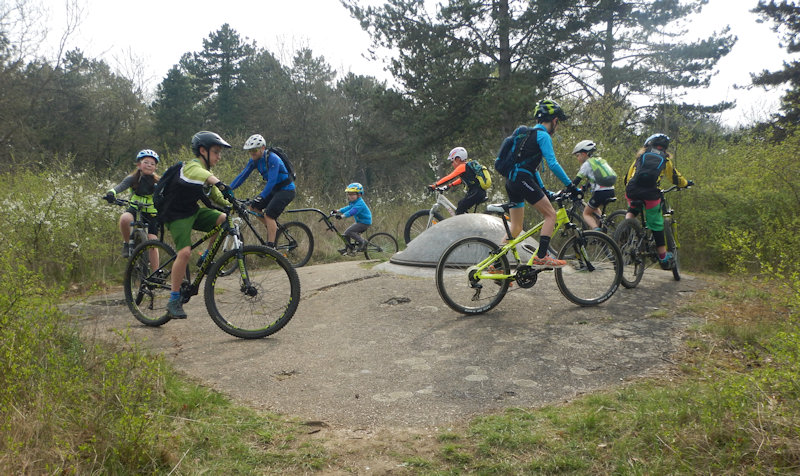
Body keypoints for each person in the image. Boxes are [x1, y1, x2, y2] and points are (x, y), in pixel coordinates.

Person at [161, 131, 233, 319]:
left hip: (192, 212)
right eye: (216, 152)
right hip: (176, 215)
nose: (219, 156)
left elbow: (214, 194)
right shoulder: (191, 167)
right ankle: (173, 300)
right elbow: (204, 176)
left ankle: (206, 258)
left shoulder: (206, 173)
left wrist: (232, 203)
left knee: (222, 219)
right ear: (203, 151)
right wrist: (220, 183)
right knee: (184, 253)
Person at [500, 99, 576, 268]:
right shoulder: (543, 136)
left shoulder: (526, 135)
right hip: (522, 180)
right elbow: (553, 164)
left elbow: (531, 168)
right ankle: (542, 256)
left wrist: (543, 190)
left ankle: (496, 263)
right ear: (555, 120)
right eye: (558, 123)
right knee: (551, 215)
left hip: (512, 181)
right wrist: (571, 186)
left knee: (516, 227)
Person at [623, 133, 692, 269]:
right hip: (650, 193)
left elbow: (628, 177)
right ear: (665, 148)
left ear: (648, 144)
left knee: (632, 210)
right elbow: (675, 178)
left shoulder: (640, 156)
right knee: (656, 224)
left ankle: (626, 230)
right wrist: (685, 184)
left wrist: (630, 189)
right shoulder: (665, 159)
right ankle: (663, 257)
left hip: (632, 190)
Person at [229, 134, 296, 248]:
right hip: (274, 189)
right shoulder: (254, 160)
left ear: (263, 148)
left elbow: (272, 181)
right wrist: (228, 189)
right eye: (250, 151)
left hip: (286, 190)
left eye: (254, 150)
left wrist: (262, 196)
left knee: (269, 215)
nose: (252, 153)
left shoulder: (273, 158)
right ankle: (272, 227)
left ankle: (271, 247)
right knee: (254, 207)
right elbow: (242, 176)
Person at [103, 149, 161, 258]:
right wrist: (112, 193)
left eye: (152, 164)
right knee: (125, 218)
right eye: (146, 162)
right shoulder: (132, 178)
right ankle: (126, 243)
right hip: (135, 208)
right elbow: (121, 186)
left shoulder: (158, 181)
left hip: (151, 213)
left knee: (153, 243)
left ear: (155, 167)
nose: (149, 165)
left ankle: (155, 272)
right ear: (139, 165)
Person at [427, 146, 487, 215]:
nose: (452, 164)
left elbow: (449, 177)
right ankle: (467, 222)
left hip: (476, 193)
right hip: (478, 192)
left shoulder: (462, 166)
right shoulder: (467, 166)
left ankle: (466, 224)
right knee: (460, 204)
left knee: (460, 209)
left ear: (458, 159)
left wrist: (435, 185)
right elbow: (461, 180)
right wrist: (450, 185)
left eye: (452, 161)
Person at [571, 140, 616, 230]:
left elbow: (576, 180)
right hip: (611, 190)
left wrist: (567, 190)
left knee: (586, 213)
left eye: (577, 156)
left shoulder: (586, 164)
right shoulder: (599, 160)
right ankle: (603, 226)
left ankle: (597, 232)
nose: (577, 158)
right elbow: (595, 178)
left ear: (584, 154)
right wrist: (585, 187)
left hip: (600, 193)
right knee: (594, 209)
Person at [332, 182, 372, 254]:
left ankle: (362, 242)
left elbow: (352, 211)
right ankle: (348, 249)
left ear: (359, 194)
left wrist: (342, 216)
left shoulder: (360, 204)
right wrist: (338, 211)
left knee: (349, 232)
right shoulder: (354, 202)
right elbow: (348, 208)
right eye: (349, 194)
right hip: (359, 222)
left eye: (352, 194)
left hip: (365, 222)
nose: (350, 196)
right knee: (346, 234)